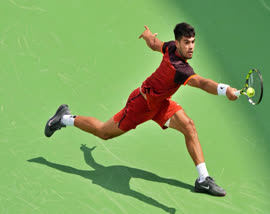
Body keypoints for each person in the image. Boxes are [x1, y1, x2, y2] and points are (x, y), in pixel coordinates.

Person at [45, 22, 238, 197]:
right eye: (186, 42)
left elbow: (156, 44)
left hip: (161, 103)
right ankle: (64, 118)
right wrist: (225, 89)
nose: (191, 47)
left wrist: (147, 35)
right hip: (142, 104)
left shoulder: (171, 47)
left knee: (189, 126)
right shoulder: (180, 69)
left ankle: (203, 180)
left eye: (193, 42)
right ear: (178, 43)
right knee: (104, 132)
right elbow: (202, 83)